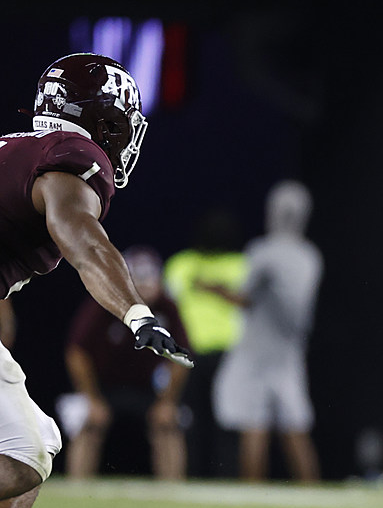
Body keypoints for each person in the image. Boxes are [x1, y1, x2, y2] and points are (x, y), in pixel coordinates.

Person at [0, 53, 192, 508]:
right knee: (26, 454)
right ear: (105, 124)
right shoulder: (74, 157)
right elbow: (80, 235)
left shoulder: (18, 149)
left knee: (39, 437)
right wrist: (136, 312)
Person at [208, 180, 323, 483]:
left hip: (257, 351)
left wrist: (214, 289)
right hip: (289, 352)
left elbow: (245, 298)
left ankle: (252, 492)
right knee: (294, 426)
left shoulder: (263, 252)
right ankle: (312, 493)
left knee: (254, 423)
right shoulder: (310, 257)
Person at [63, 246, 189, 479]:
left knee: (168, 423)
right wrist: (91, 398)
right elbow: (77, 353)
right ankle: (77, 488)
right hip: (102, 387)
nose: (144, 286)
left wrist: (168, 400)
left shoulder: (166, 306)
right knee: (88, 422)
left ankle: (173, 493)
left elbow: (180, 357)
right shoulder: (103, 302)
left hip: (147, 389)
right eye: (138, 279)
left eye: (149, 279)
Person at [162, 209, 247, 479]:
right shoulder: (182, 264)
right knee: (191, 419)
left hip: (230, 355)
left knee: (229, 420)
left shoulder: (241, 264)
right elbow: (167, 307)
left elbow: (250, 302)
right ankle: (192, 476)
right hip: (188, 354)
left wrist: (214, 288)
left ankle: (227, 477)